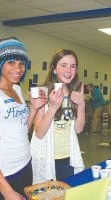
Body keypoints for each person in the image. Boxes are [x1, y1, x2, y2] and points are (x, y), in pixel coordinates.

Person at [0, 37, 46, 199]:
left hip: (26, 162)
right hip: (5, 170)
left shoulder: (17, 89)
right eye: (11, 62)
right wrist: (6, 191)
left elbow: (23, 129)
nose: (18, 68)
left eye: (21, 63)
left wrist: (34, 108)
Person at [31, 48, 85, 183]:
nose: (69, 70)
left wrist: (82, 105)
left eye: (73, 66)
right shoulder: (41, 92)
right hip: (46, 156)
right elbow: (39, 133)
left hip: (68, 156)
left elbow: (78, 129)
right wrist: (53, 108)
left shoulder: (75, 93)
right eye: (63, 65)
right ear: (54, 69)